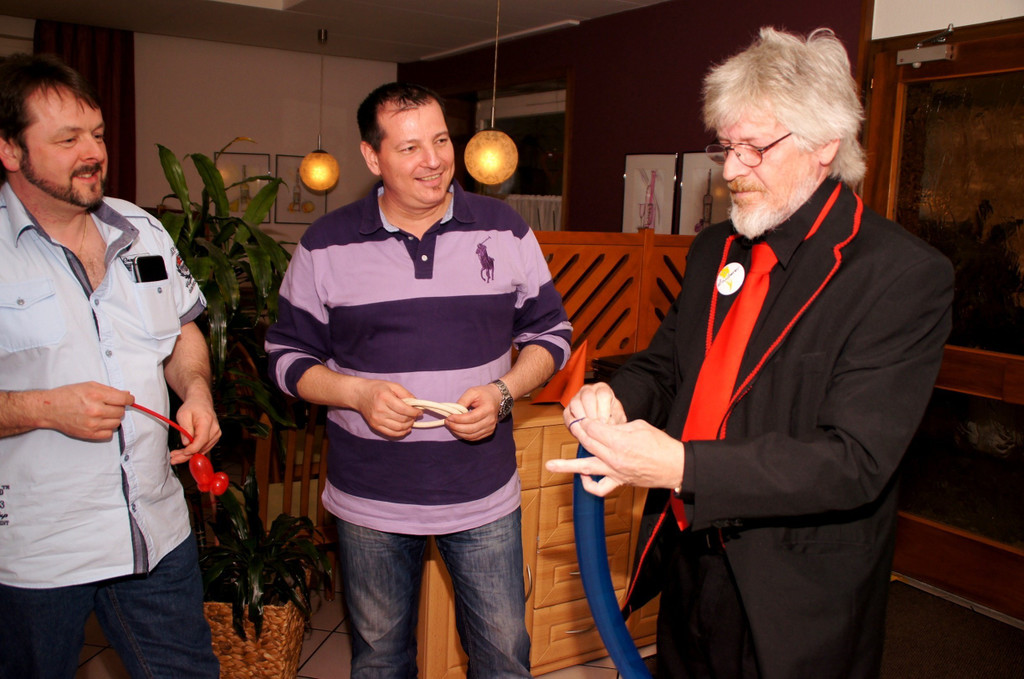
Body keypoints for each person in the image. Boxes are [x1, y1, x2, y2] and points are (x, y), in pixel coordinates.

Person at [546, 27, 954, 679]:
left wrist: (681, 465)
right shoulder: (716, 248)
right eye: (726, 146)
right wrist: (614, 396)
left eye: (754, 148)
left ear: (825, 145)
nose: (732, 170)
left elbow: (854, 461)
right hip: (689, 550)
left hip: (794, 587)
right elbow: (669, 365)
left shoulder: (900, 275)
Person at [265, 82, 572, 677]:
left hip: (481, 492)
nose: (433, 161)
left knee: (505, 656)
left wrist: (504, 392)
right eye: (409, 148)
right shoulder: (325, 244)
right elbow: (285, 356)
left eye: (441, 141)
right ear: (372, 156)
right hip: (369, 496)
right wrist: (356, 393)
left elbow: (551, 334)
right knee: (380, 660)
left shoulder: (505, 229)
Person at [0, 53, 221, 678]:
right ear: (11, 150)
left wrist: (196, 392)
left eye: (96, 134)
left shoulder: (145, 230)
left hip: (157, 535)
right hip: (35, 554)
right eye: (67, 139)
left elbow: (182, 331)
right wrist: (44, 409)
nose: (92, 152)